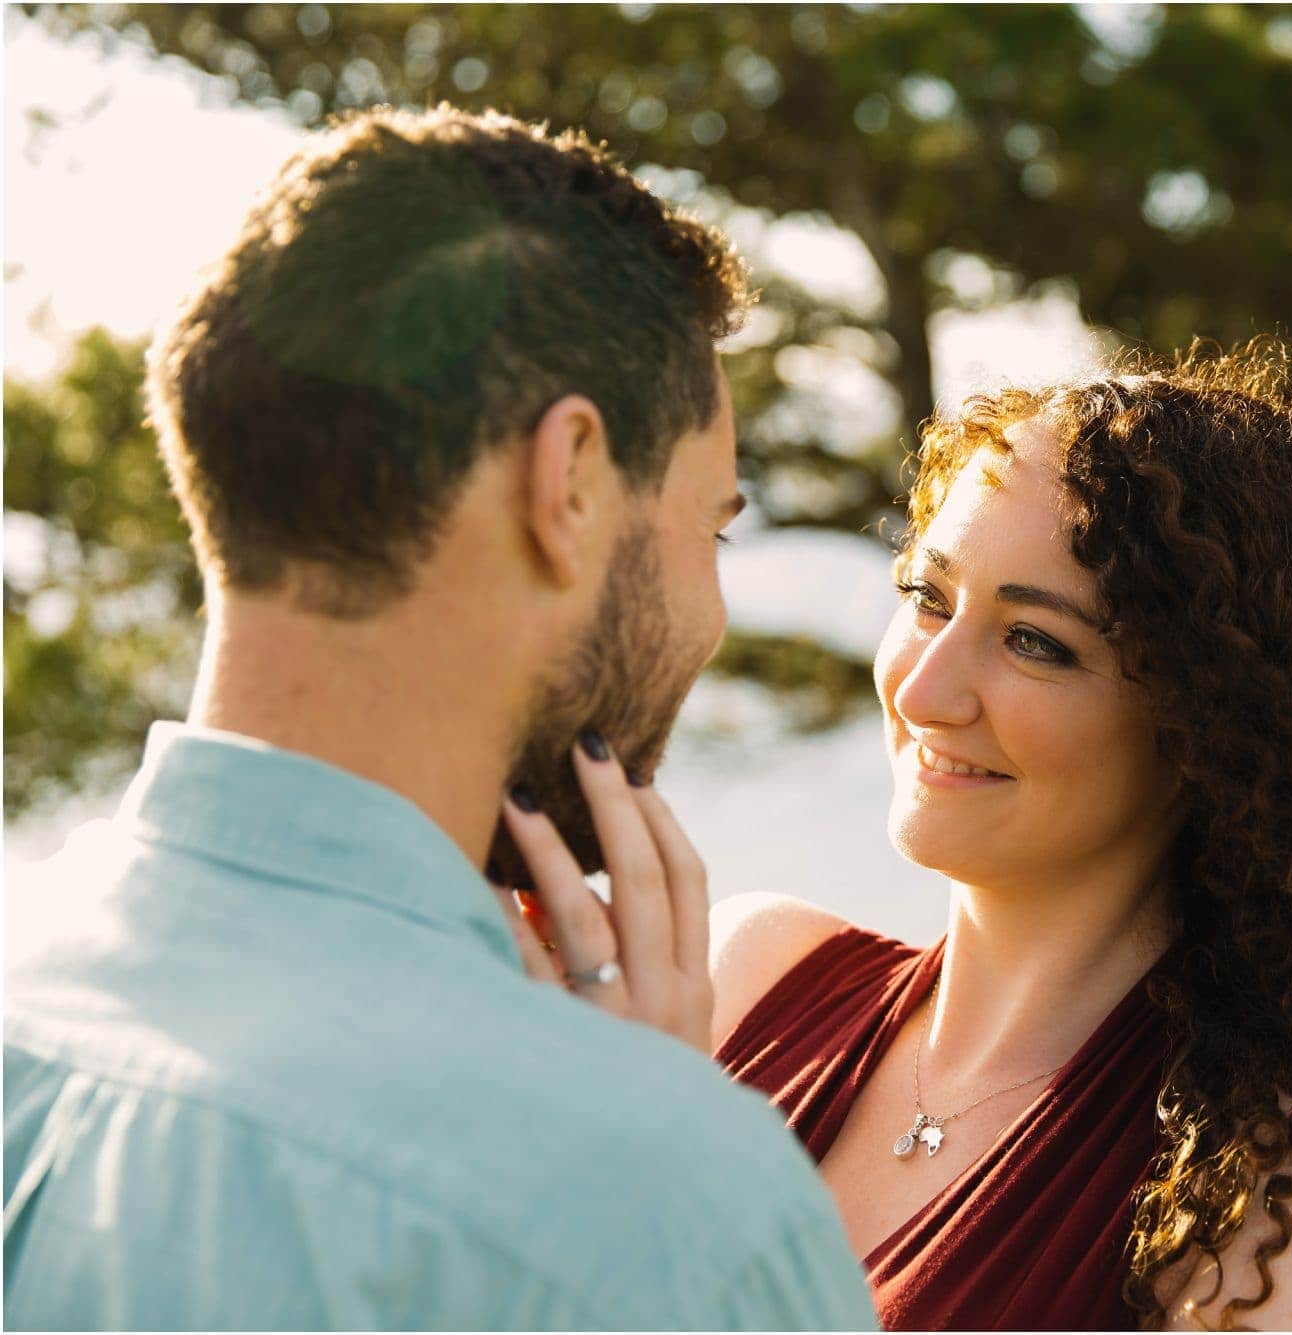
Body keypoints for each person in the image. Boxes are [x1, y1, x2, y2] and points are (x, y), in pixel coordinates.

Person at [4, 105, 875, 1331]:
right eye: (711, 528)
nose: (715, 608)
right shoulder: (676, 1214)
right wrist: (645, 1160)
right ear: (568, 479)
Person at [516, 342, 1292, 1329]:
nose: (924, 692)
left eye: (1034, 642)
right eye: (926, 598)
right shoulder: (746, 974)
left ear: (1210, 723)